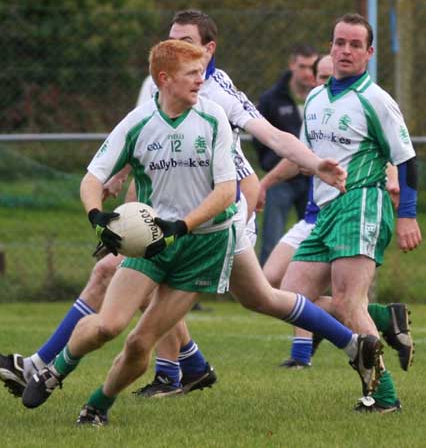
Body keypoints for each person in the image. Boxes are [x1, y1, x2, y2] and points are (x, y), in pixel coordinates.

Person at [21, 43, 384, 429]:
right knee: (109, 325)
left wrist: (181, 227)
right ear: (164, 79)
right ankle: (54, 370)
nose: (201, 78)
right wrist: (97, 217)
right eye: (192, 72)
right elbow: (92, 178)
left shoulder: (213, 117)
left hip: (203, 244)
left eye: (202, 69)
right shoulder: (138, 122)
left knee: (139, 342)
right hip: (153, 244)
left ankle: (97, 405)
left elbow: (227, 191)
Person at [271, 13, 421, 413]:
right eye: (340, 43)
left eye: (356, 45)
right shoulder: (317, 98)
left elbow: (407, 160)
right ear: (331, 47)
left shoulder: (376, 100)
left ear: (369, 53)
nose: (346, 51)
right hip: (325, 211)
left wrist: (407, 214)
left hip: (363, 202)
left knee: (346, 299)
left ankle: (384, 396)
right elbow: (308, 158)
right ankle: (381, 318)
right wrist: (265, 185)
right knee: (289, 297)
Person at [254, 44, 318, 265]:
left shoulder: (321, 100)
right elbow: (260, 138)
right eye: (302, 66)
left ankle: (310, 292)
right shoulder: (272, 99)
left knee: (315, 238)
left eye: (312, 67)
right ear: (292, 65)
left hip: (312, 179)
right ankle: (265, 293)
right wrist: (271, 165)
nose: (308, 73)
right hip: (280, 179)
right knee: (272, 237)